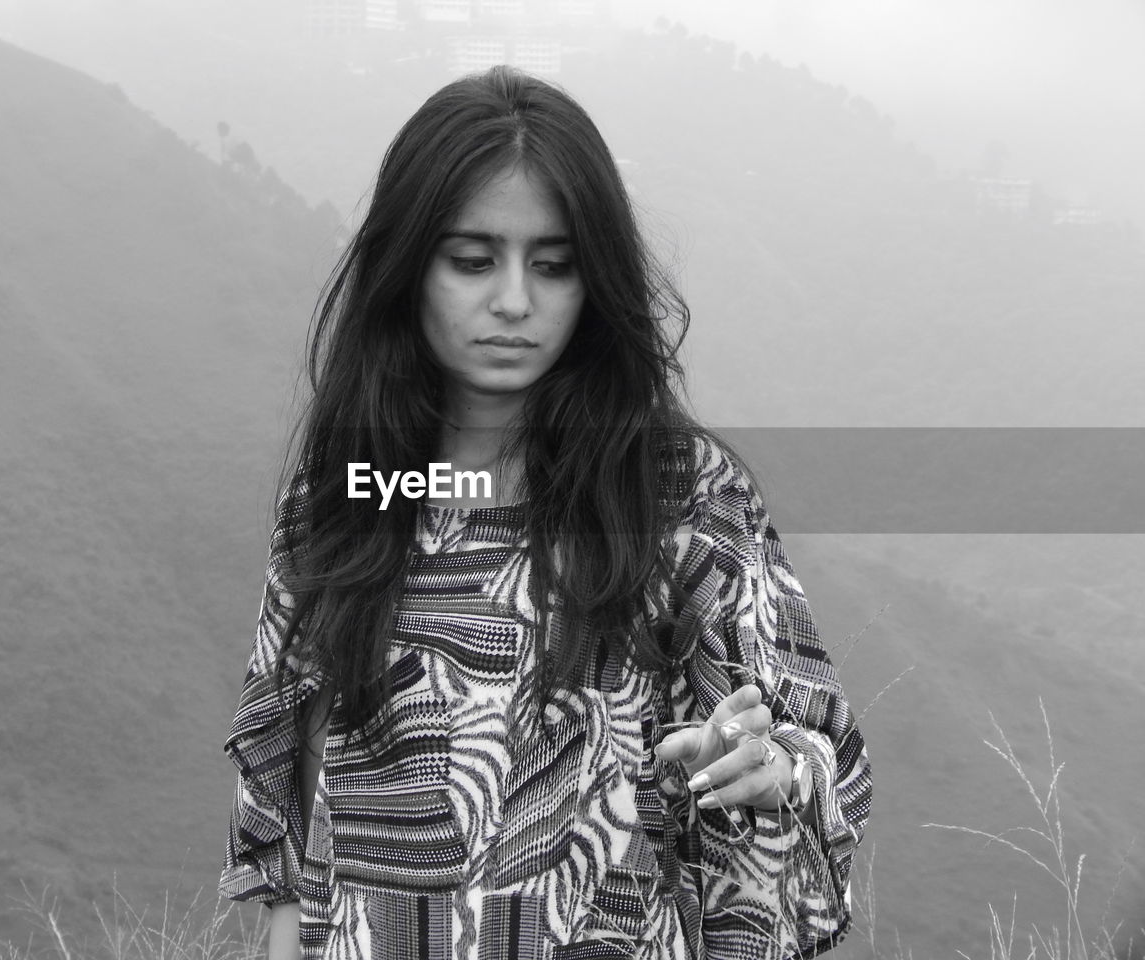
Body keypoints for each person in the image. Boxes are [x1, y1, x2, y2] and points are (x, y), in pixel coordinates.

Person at [220, 65, 871, 960]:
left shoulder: (679, 497)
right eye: (474, 260)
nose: (515, 302)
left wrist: (771, 765)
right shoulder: (350, 500)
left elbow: (818, 745)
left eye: (554, 265)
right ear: (409, 268)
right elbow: (289, 824)